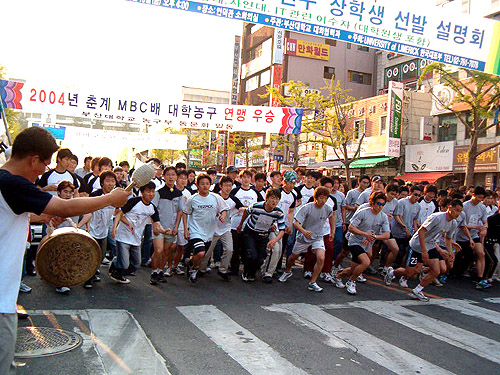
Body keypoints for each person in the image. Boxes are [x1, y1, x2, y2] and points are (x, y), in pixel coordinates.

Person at [0, 127, 129, 375]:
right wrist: (110, 199)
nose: (42, 172)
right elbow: (66, 206)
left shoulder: (5, 183)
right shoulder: (13, 183)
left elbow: (20, 216)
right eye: (45, 164)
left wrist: (44, 214)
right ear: (34, 158)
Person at [385, 199, 463, 301]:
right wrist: (424, 251)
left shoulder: (453, 223)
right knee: (410, 272)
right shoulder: (437, 217)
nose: (458, 213)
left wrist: (450, 251)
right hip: (417, 245)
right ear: (449, 207)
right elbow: (421, 232)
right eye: (456, 210)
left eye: (460, 211)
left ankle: (417, 290)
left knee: (436, 270)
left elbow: (448, 238)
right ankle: (392, 273)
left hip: (430, 245)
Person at [111, 182, 169, 284]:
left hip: (136, 238)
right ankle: (115, 265)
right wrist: (114, 228)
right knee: (124, 264)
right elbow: (120, 214)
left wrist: (164, 231)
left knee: (136, 265)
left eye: (152, 192)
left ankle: (118, 270)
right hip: (123, 236)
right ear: (142, 192)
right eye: (148, 191)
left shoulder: (152, 208)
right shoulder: (134, 201)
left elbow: (157, 224)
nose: (151, 194)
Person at [279, 187, 335, 292]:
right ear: (316, 198)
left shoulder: (328, 208)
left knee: (321, 258)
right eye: (321, 198)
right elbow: (295, 223)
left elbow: (331, 217)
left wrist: (332, 231)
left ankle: (313, 282)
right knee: (293, 257)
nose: (323, 201)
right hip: (303, 237)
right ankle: (287, 271)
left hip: (318, 236)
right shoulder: (306, 208)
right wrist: (304, 231)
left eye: (325, 198)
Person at [335, 191, 390, 295]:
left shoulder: (383, 217)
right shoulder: (363, 212)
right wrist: (365, 234)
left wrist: (374, 237)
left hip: (367, 243)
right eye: (378, 204)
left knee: (354, 268)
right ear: (372, 203)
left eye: (383, 204)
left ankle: (338, 276)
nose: (380, 207)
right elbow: (351, 227)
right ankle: (351, 282)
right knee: (366, 262)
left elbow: (387, 234)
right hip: (354, 241)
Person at [182, 174, 228, 283]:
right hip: (195, 231)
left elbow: (224, 208)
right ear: (197, 185)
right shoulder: (192, 199)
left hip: (209, 232)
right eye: (202, 184)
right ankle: (194, 270)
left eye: (207, 184)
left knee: (202, 255)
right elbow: (185, 213)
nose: (205, 186)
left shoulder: (215, 197)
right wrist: (185, 229)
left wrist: (223, 216)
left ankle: (191, 262)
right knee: (200, 253)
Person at [78, 171, 119, 288]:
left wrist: (114, 227)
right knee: (91, 255)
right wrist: (85, 226)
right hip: (93, 231)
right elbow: (88, 211)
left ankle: (93, 272)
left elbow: (119, 211)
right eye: (108, 181)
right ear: (102, 183)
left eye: (113, 181)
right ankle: (88, 279)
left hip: (104, 232)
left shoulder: (115, 197)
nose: (110, 184)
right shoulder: (95, 195)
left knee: (100, 256)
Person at [237, 188, 285, 282]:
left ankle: (252, 273)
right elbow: (246, 212)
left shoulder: (278, 212)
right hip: (250, 232)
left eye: (277, 199)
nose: (274, 201)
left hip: (263, 234)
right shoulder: (256, 206)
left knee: (260, 258)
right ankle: (246, 272)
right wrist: (240, 225)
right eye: (272, 198)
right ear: (267, 198)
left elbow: (282, 230)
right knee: (251, 254)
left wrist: (274, 240)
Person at [200, 176, 243, 280]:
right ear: (220, 186)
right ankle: (200, 269)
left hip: (226, 229)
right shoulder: (213, 197)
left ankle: (223, 270)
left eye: (230, 185)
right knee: (208, 252)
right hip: (212, 229)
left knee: (229, 250)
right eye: (225, 185)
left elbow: (241, 208)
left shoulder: (233, 199)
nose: (228, 188)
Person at [150, 167, 183, 285]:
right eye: (168, 175)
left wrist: (176, 227)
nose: (171, 177)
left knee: (166, 251)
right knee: (158, 250)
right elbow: (152, 209)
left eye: (173, 175)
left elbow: (180, 211)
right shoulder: (158, 192)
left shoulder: (179, 194)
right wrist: (155, 225)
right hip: (159, 227)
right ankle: (154, 272)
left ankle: (160, 271)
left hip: (171, 227)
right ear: (163, 176)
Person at [454, 186, 490, 289]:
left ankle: (480, 278)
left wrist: (484, 228)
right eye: (478, 197)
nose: (480, 200)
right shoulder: (464, 206)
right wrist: (475, 226)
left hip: (474, 235)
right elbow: (460, 224)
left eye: (481, 198)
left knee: (481, 253)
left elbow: (484, 221)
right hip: (461, 235)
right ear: (473, 195)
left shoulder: (482, 207)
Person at [229, 170, 261, 275]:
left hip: (249, 225)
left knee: (247, 248)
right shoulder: (235, 191)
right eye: (244, 177)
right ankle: (234, 268)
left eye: (248, 177)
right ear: (240, 178)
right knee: (235, 247)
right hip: (235, 223)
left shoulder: (255, 193)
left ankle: (247, 270)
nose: (246, 179)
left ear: (251, 179)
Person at [392, 185, 422, 282]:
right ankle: (390, 268)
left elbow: (415, 219)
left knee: (406, 252)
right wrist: (404, 228)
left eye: (419, 196)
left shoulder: (418, 206)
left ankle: (401, 270)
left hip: (409, 233)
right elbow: (397, 216)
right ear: (410, 193)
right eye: (415, 195)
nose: (417, 197)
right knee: (396, 250)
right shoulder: (402, 202)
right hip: (397, 232)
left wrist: (416, 230)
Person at [174, 169, 191, 275]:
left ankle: (175, 266)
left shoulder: (188, 193)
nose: (183, 180)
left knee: (181, 246)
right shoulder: (171, 190)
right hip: (171, 222)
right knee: (170, 246)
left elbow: (187, 211)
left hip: (182, 224)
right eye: (181, 178)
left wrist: (186, 228)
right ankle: (167, 265)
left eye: (185, 178)